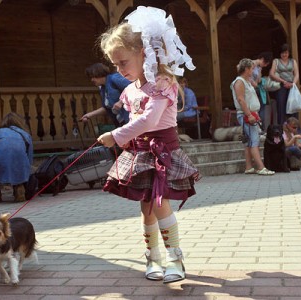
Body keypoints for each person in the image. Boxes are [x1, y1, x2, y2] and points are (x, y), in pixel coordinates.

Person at [96, 6, 199, 284]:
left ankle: (175, 259)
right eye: (115, 64)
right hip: (141, 153)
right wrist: (125, 138)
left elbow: (150, 121)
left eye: (123, 63)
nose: (119, 70)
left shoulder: (164, 83)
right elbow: (136, 122)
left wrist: (116, 136)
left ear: (144, 53)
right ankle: (153, 257)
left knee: (160, 203)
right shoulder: (130, 91)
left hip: (162, 153)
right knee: (147, 208)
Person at [231, 58, 275, 176]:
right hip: (246, 114)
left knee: (249, 141)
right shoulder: (239, 82)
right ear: (246, 69)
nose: (253, 70)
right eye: (251, 68)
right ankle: (261, 167)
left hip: (251, 113)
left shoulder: (247, 80)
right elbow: (241, 99)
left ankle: (249, 167)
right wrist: (249, 115)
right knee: (254, 141)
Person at [80, 63, 131, 127]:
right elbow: (107, 108)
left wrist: (121, 101)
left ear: (98, 73)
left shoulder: (114, 78)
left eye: (93, 77)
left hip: (130, 118)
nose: (92, 80)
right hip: (121, 122)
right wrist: (89, 115)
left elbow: (132, 87)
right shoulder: (103, 89)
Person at [269, 43, 300, 125]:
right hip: (281, 85)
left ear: (289, 53)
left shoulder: (293, 61)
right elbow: (271, 73)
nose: (284, 54)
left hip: (291, 85)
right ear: (280, 53)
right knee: (281, 106)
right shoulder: (276, 61)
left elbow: (296, 74)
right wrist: (283, 81)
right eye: (282, 53)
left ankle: (295, 128)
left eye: (286, 52)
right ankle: (282, 129)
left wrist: (293, 83)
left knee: (293, 107)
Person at [250, 52, 273, 131]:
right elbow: (247, 76)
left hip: (256, 89)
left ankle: (261, 127)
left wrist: (260, 70)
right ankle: (255, 127)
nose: (265, 65)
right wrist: (253, 83)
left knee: (261, 107)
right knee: (254, 108)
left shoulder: (259, 67)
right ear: (263, 59)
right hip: (250, 89)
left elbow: (258, 80)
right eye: (266, 63)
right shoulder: (252, 63)